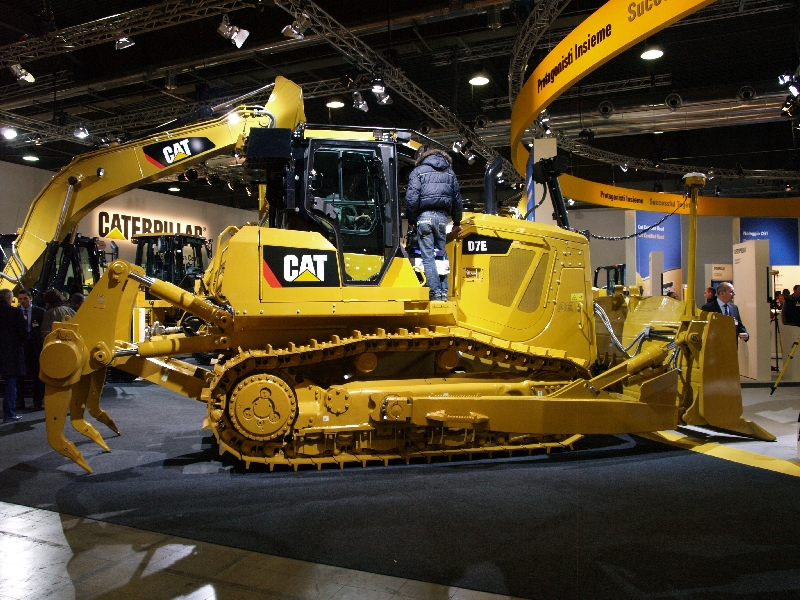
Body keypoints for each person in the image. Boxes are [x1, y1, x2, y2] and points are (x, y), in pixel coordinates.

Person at [405, 146, 463, 301]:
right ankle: (443, 293)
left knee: (428, 257)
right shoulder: (449, 173)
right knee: (440, 255)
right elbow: (457, 200)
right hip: (442, 219)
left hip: (424, 216)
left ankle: (435, 293)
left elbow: (411, 198)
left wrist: (411, 219)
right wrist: (457, 222)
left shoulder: (418, 171)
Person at [15, 289, 45, 411]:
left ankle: (38, 401)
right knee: (20, 376)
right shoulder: (16, 312)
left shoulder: (40, 312)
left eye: (25, 298)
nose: (22, 301)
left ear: (30, 298)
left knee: (37, 375)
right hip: (21, 348)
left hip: (35, 348)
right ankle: (19, 402)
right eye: (20, 299)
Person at [0, 289, 26, 423]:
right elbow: (23, 334)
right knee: (10, 384)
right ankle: (9, 413)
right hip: (11, 353)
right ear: (9, 298)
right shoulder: (15, 312)